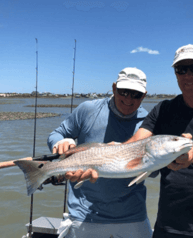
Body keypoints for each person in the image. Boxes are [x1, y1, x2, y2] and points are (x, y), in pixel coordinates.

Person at [79, 44, 193, 237]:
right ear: (176, 74)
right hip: (168, 228)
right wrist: (98, 158)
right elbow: (135, 144)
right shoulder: (164, 109)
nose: (188, 75)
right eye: (181, 69)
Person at [47, 67, 153, 238]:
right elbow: (56, 134)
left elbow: (153, 173)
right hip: (84, 212)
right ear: (113, 88)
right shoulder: (88, 109)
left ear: (144, 95)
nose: (128, 98)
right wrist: (60, 142)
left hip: (132, 214)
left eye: (136, 94)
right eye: (124, 91)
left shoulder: (148, 123)